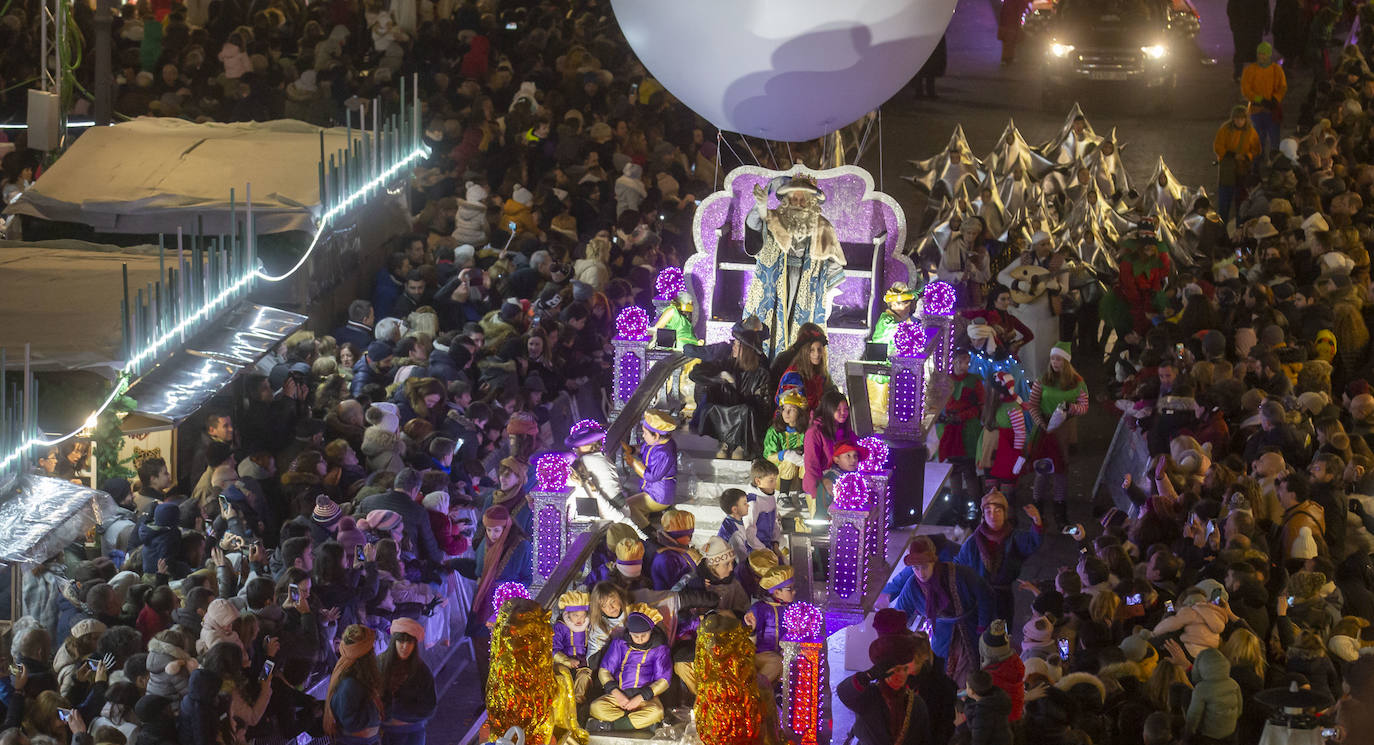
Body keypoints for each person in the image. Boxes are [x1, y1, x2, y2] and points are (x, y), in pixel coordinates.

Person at [743, 174, 847, 355]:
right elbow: (753, 225)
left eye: (803, 200)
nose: (798, 203)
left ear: (811, 202)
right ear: (787, 200)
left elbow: (834, 263)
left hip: (806, 288)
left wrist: (826, 292)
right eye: (794, 199)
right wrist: (760, 206)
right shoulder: (774, 218)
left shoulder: (823, 227)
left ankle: (797, 371)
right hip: (775, 284)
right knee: (772, 325)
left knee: (800, 330)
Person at [892, 536, 995, 686]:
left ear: (933, 561)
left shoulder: (960, 574)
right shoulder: (913, 586)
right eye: (916, 568)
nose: (921, 573)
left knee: (970, 677)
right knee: (942, 676)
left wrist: (982, 627)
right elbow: (898, 616)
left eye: (925, 566)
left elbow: (986, 595)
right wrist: (902, 639)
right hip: (942, 637)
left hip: (970, 629)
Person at [689, 318, 773, 460]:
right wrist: (719, 377)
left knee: (745, 412)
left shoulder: (761, 372)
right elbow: (695, 374)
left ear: (746, 349)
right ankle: (725, 443)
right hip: (725, 409)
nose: (732, 347)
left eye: (737, 344)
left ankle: (741, 444)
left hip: (746, 416)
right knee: (714, 407)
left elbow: (765, 406)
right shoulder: (726, 362)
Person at [954, 491, 1042, 623]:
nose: (993, 516)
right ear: (983, 515)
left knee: (1004, 630)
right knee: (982, 632)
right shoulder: (973, 542)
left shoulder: (1013, 537)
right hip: (979, 597)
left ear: (1005, 514)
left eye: (998, 511)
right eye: (988, 511)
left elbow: (1032, 542)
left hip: (1003, 597)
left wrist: (1036, 520)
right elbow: (958, 565)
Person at [1027, 343, 1090, 527]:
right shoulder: (1043, 379)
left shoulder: (1077, 382)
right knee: (1043, 470)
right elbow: (1033, 404)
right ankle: (1038, 512)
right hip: (1044, 429)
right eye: (1053, 358)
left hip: (1063, 431)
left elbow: (1084, 405)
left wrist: (1070, 408)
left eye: (1058, 359)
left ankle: (1060, 514)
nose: (1055, 362)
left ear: (1066, 361)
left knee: (1061, 471)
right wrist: (1040, 422)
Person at [836, 630, 933, 745]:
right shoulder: (869, 696)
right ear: (882, 672)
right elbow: (844, 692)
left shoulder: (916, 704)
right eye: (895, 670)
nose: (900, 676)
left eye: (905, 670)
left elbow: (925, 740)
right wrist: (868, 675)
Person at [588, 605, 671, 732]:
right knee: (595, 707)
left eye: (644, 635)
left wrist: (640, 698)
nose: (640, 639)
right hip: (620, 694)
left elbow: (664, 680)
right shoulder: (619, 644)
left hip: (645, 697)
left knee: (657, 712)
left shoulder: (659, 649)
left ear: (651, 631)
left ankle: (610, 726)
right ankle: (639, 724)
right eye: (635, 636)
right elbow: (605, 670)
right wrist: (618, 694)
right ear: (629, 633)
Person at [938, 347, 984, 511]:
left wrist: (963, 416)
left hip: (968, 431)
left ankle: (975, 505)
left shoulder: (975, 381)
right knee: (953, 469)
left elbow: (980, 406)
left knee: (969, 470)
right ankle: (955, 505)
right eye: (961, 361)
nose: (964, 365)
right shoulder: (945, 380)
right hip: (949, 429)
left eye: (966, 362)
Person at [378, 618, 436, 745]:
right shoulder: (380, 665)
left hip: (413, 732)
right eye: (400, 641)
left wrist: (401, 713)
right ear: (394, 642)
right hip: (385, 732)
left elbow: (429, 705)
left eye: (409, 642)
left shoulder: (422, 671)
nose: (405, 647)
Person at [622, 410, 680, 529]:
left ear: (657, 435)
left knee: (628, 506)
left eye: (645, 433)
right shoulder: (655, 442)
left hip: (659, 495)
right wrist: (631, 450)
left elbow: (652, 476)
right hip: (650, 490)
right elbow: (643, 449)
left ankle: (649, 533)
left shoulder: (665, 452)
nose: (643, 436)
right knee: (637, 509)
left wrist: (633, 463)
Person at [564, 419, 625, 521]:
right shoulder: (603, 456)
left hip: (614, 511)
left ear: (589, 444)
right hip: (621, 505)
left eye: (579, 445)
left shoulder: (585, 461)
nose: (575, 449)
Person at [744, 565, 795, 686]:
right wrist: (751, 630)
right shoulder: (760, 609)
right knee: (776, 663)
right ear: (777, 592)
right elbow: (747, 638)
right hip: (761, 654)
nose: (794, 592)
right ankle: (754, 690)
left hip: (781, 652)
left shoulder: (790, 609)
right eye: (790, 589)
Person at [1212, 105, 1262, 222]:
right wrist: (1233, 155)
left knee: (1241, 204)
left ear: (1246, 119)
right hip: (1227, 172)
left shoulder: (1251, 132)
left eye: (1242, 118)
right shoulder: (1225, 129)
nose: (1239, 121)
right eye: (1237, 118)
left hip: (1243, 171)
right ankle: (1222, 229)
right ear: (1233, 119)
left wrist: (1247, 156)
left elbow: (1256, 149)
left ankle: (1240, 228)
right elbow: (1218, 146)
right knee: (1224, 203)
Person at [1242, 42, 1287, 154]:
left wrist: (1275, 99)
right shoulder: (1250, 70)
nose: (1261, 56)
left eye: (1264, 54)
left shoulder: (1277, 70)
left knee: (1274, 139)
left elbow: (1282, 87)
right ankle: (1257, 163)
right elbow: (1246, 90)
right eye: (1260, 54)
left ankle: (1273, 161)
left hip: (1271, 111)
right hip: (1256, 111)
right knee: (1258, 140)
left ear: (1269, 55)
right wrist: (1260, 100)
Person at [764, 392, 809, 493]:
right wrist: (784, 454)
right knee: (789, 461)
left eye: (792, 409)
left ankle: (803, 494)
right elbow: (769, 456)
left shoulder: (807, 430)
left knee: (808, 459)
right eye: (784, 409)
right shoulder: (774, 431)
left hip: (803, 478)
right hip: (779, 477)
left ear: (800, 412)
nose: (786, 413)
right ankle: (783, 495)